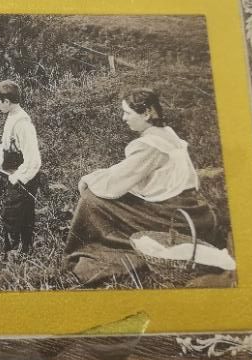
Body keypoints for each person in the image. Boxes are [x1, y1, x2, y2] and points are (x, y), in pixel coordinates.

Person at [64, 88, 216, 284]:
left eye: (128, 113)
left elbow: (116, 183)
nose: (123, 118)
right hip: (190, 207)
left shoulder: (151, 145)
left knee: (91, 199)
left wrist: (88, 179)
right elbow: (127, 170)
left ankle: (90, 248)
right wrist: (99, 175)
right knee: (105, 191)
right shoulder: (166, 133)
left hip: (171, 214)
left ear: (146, 113)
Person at [0, 80, 42, 256]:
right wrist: (0, 159)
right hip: (13, 171)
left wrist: (18, 177)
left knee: (11, 213)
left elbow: (33, 159)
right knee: (24, 213)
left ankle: (15, 250)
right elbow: (7, 144)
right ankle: (25, 250)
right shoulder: (12, 116)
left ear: (7, 101)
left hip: (24, 177)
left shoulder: (23, 124)